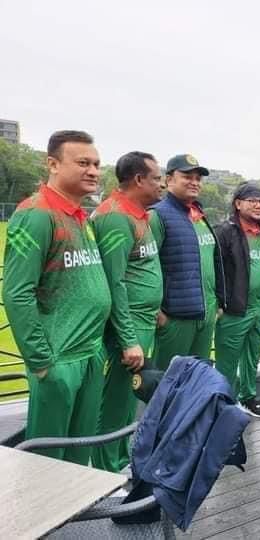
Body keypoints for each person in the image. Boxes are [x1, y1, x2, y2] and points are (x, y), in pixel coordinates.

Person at [3, 130, 111, 463]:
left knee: (80, 454)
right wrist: (41, 363)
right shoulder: (36, 214)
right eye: (82, 163)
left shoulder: (80, 216)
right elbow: (17, 291)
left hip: (91, 352)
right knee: (47, 464)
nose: (93, 171)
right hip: (58, 359)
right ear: (52, 164)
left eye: (96, 164)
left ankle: (80, 516)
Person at [90, 151, 164, 471]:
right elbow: (114, 281)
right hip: (128, 324)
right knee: (116, 399)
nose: (161, 184)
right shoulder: (116, 217)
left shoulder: (139, 214)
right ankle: (107, 468)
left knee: (126, 400)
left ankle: (120, 459)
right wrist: (128, 338)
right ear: (138, 180)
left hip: (143, 319)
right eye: (157, 178)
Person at [150, 154, 224, 371]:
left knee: (196, 380)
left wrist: (216, 304)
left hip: (205, 314)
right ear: (169, 179)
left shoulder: (198, 215)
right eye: (187, 176)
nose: (194, 182)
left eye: (198, 178)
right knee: (169, 382)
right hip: (175, 319)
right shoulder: (157, 216)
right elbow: (143, 267)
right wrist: (158, 313)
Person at [214, 183, 260, 419]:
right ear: (238, 204)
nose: (258, 205)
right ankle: (223, 403)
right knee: (227, 360)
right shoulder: (225, 232)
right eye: (251, 200)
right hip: (235, 308)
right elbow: (215, 268)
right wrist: (219, 302)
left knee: (252, 356)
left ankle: (248, 397)